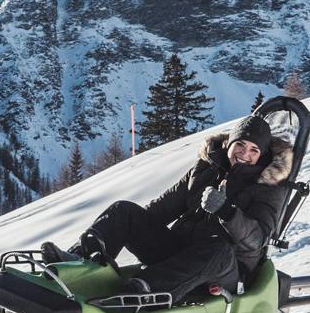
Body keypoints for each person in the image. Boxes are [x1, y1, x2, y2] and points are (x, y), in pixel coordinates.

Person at [41, 115, 292, 301]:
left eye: (254, 150)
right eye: (240, 144)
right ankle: (80, 264)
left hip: (227, 269)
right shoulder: (205, 170)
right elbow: (159, 210)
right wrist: (131, 227)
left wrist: (226, 212)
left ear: (261, 155)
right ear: (229, 144)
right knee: (124, 211)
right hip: (181, 253)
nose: (244, 154)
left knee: (218, 249)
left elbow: (257, 240)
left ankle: (143, 291)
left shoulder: (269, 187)